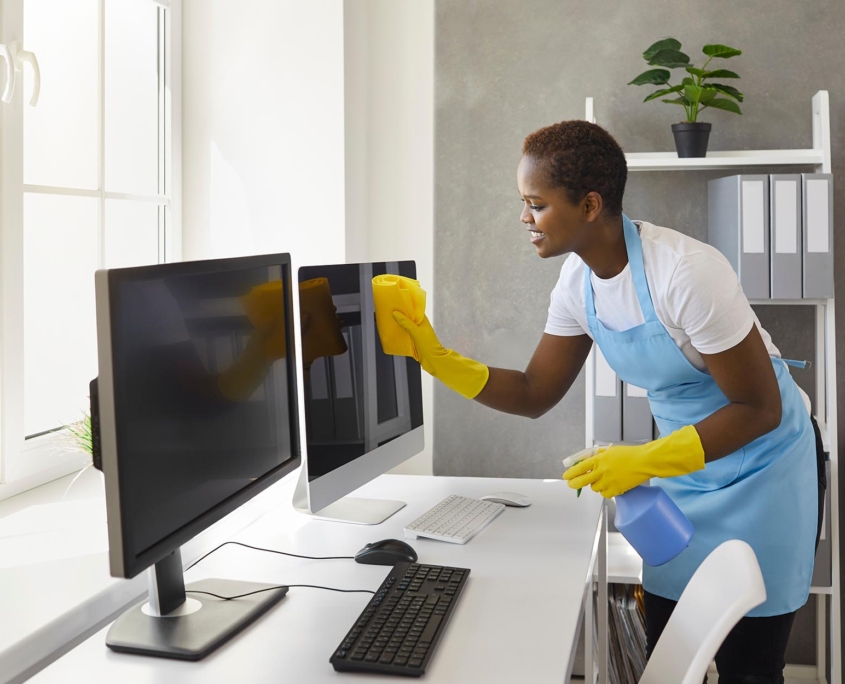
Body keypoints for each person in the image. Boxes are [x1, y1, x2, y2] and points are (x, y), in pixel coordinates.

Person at [389, 120, 824, 684]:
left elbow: (758, 408)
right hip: (684, 473)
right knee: (674, 650)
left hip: (764, 469)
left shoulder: (687, 273)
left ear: (590, 204)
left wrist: (643, 460)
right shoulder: (578, 283)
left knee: (751, 668)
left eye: (535, 204)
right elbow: (533, 392)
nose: (524, 218)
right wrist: (435, 356)